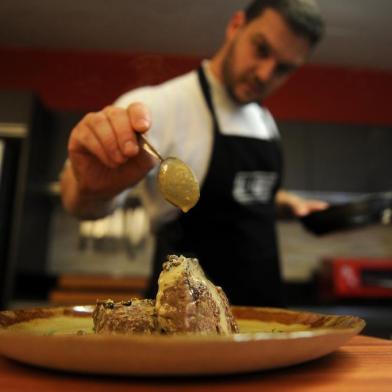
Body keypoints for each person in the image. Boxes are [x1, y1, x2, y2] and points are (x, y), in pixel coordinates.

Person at [60, 0, 328, 306]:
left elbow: (245, 199)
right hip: (185, 325)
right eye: (261, 49)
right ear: (236, 25)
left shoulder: (264, 121)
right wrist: (90, 190)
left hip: (262, 318)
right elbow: (78, 203)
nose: (266, 74)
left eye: (284, 68)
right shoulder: (156, 107)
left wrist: (286, 203)